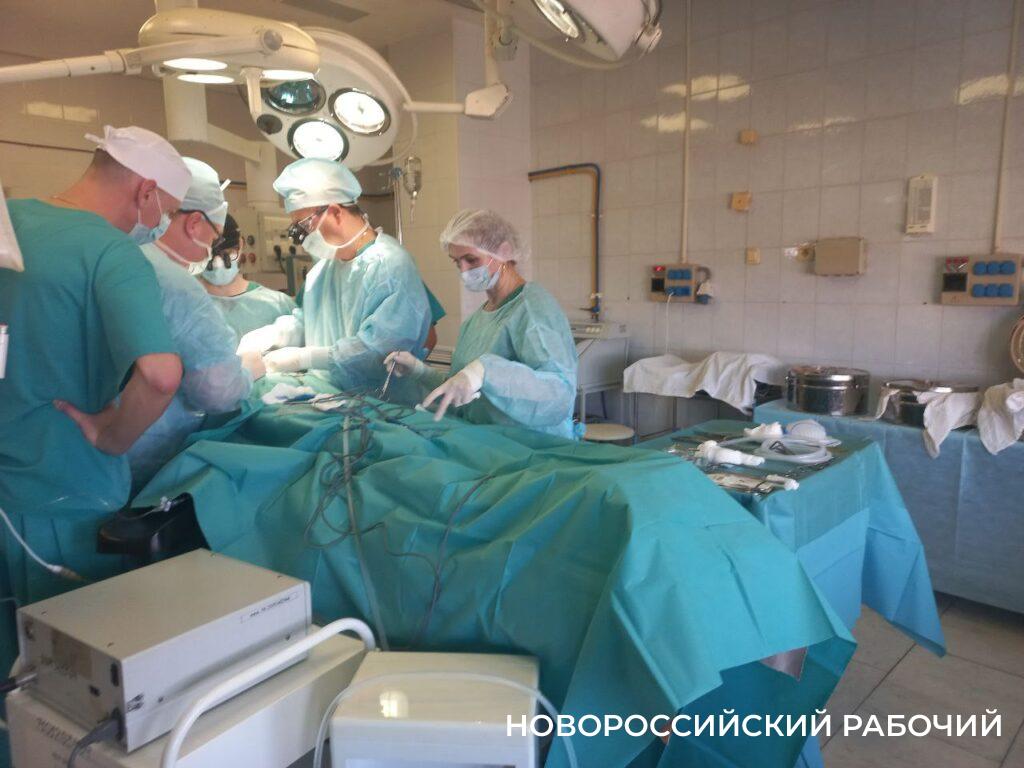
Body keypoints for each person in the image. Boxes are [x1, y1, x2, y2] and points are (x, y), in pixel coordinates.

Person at [0, 124, 188, 610]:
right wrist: (114, 436)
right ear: (145, 191)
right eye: (166, 211)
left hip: (8, 495)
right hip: (63, 494)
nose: (161, 224)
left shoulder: (8, 221)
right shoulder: (110, 251)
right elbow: (161, 375)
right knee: (72, 645)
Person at [127, 158, 265, 491]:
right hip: (143, 458)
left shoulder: (119, 257)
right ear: (195, 224)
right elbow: (218, 392)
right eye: (215, 237)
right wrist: (248, 370)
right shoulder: (174, 284)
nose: (211, 251)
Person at [238, 158, 431, 391]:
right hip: (327, 395)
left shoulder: (390, 267)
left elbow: (381, 352)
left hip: (382, 402)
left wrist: (306, 358)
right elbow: (306, 322)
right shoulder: (322, 271)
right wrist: (272, 336)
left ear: (336, 212)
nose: (302, 236)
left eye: (304, 225)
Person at [385, 209, 579, 440]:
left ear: (504, 252)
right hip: (490, 444)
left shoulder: (533, 308)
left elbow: (559, 395)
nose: (464, 270)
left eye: (471, 259)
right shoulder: (476, 321)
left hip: (534, 445)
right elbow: (466, 393)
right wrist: (419, 371)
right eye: (457, 262)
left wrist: (487, 371)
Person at [198, 213, 297, 338]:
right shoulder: (182, 305)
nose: (218, 264)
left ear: (241, 244)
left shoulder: (277, 305)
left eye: (226, 254)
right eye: (210, 256)